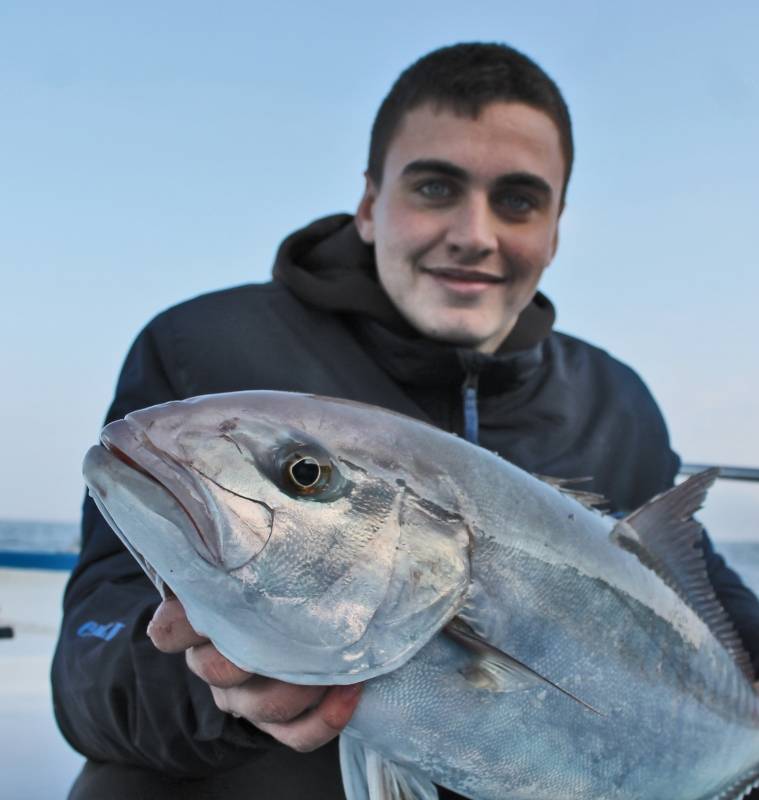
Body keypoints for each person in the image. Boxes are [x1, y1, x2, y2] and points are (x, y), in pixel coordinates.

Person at [52, 42, 759, 800]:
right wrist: (225, 686)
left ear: (554, 231)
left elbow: (702, 597)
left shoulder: (616, 401)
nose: (473, 233)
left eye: (517, 201)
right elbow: (89, 676)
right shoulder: (205, 353)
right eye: (433, 187)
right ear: (368, 202)